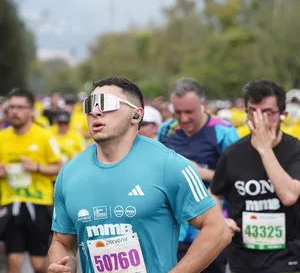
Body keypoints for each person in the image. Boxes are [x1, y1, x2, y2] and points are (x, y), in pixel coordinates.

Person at [48, 76, 231, 273]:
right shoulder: (70, 173)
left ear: (136, 115)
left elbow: (218, 231)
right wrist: (61, 265)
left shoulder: (168, 164)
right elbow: (62, 242)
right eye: (90, 105)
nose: (96, 111)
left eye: (106, 104)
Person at [210, 79, 300, 273]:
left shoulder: (295, 150)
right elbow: (215, 192)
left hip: (287, 258)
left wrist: (264, 149)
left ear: (283, 115)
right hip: (243, 258)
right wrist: (220, 220)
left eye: (268, 112)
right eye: (253, 111)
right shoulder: (233, 153)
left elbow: (289, 195)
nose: (259, 119)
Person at [157, 77, 239, 273]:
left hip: (210, 229)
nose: (184, 119)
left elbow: (238, 178)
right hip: (174, 231)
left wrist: (202, 173)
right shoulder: (165, 131)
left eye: (189, 112)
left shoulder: (223, 132)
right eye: (178, 112)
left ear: (202, 105)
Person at [0, 88, 62, 273]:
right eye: (11, 107)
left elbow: (60, 167)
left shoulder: (44, 136)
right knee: (14, 260)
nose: (15, 111)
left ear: (31, 110)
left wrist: (36, 167)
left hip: (38, 204)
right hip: (10, 204)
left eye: (20, 107)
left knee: (38, 264)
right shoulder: (2, 138)